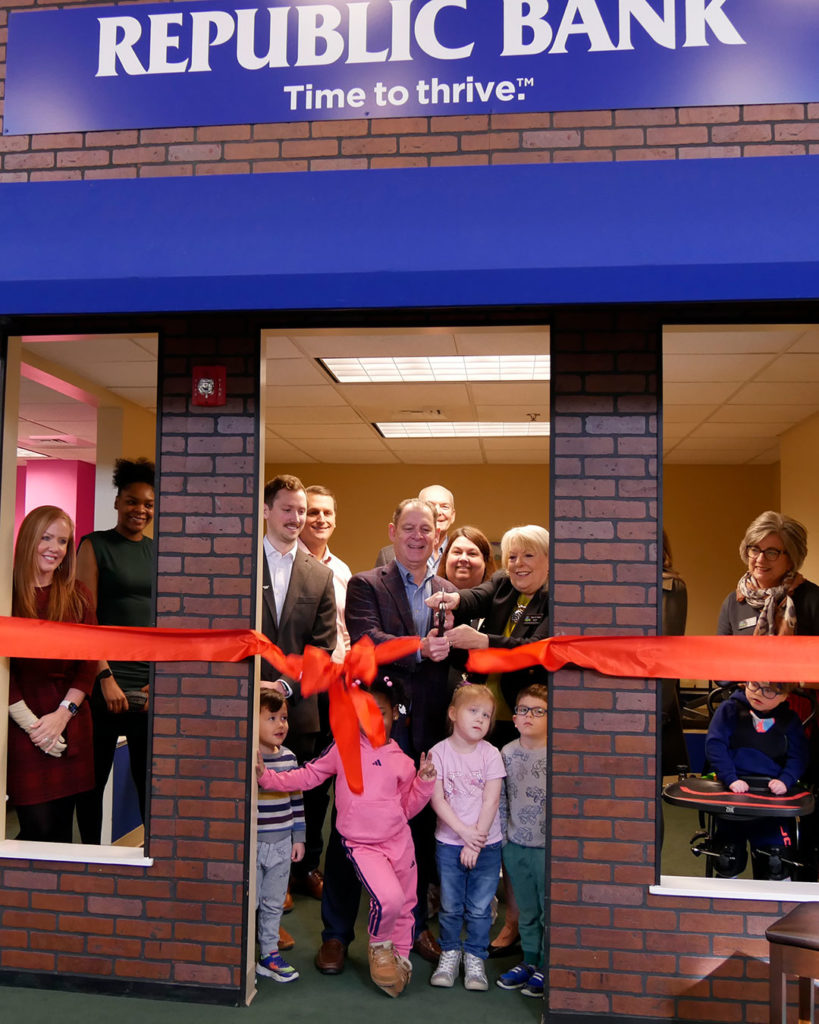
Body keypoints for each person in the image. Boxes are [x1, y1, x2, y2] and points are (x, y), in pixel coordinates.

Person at [256, 678, 437, 998]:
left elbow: (407, 807)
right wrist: (267, 778)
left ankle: (400, 959)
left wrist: (423, 783)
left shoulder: (400, 757)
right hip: (362, 845)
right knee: (389, 899)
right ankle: (379, 949)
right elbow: (308, 776)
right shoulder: (343, 748)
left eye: (379, 712)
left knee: (406, 904)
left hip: (399, 842)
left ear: (394, 714)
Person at [343, 497, 457, 968]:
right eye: (408, 527)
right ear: (392, 532)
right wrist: (420, 647)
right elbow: (367, 639)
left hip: (427, 726)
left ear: (436, 535)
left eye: (425, 529)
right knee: (354, 828)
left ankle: (413, 928)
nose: (416, 536)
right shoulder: (365, 584)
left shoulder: (448, 592)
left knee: (420, 830)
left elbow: (453, 657)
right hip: (376, 727)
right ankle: (336, 932)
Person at [260, 474, 337, 900]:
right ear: (268, 510)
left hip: (301, 706)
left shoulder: (319, 575)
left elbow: (322, 648)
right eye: (287, 509)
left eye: (300, 510)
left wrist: (284, 688)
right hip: (246, 702)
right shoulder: (243, 562)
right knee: (255, 796)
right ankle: (267, 877)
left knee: (301, 798)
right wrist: (257, 687)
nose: (296, 517)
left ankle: (299, 871)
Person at [75, 457, 155, 843]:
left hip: (148, 687)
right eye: (132, 501)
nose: (140, 509)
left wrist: (161, 683)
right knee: (92, 784)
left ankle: (151, 860)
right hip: (102, 684)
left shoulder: (160, 552)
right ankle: (89, 855)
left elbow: (166, 624)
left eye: (148, 504)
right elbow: (83, 617)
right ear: (117, 501)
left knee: (150, 785)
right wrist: (104, 676)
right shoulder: (95, 545)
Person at [8, 506, 97, 842]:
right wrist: (33, 726)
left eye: (62, 540)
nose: (55, 548)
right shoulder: (6, 595)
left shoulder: (78, 596)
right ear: (29, 539)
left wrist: (63, 714)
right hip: (23, 724)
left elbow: (88, 663)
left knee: (60, 832)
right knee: (36, 827)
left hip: (70, 723)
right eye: (46, 538)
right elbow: (3, 669)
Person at [431, 524, 551, 749]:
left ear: (548, 559)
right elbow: (476, 596)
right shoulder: (503, 583)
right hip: (483, 714)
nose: (518, 564)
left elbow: (535, 648)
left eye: (528, 555)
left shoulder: (555, 598)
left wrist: (483, 641)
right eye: (512, 557)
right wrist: (454, 600)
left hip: (524, 716)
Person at [429, 685, 505, 991]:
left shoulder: (491, 754)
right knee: (450, 904)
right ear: (452, 713)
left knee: (479, 907)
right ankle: (449, 952)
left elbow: (491, 801)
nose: (480, 719)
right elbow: (437, 800)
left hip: (487, 844)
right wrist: (463, 834)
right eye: (473, 711)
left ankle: (475, 956)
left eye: (486, 715)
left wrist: (476, 841)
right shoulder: (438, 752)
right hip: (449, 843)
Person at [704, 680, 809, 880]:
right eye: (754, 685)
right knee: (728, 855)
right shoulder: (730, 709)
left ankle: (775, 892)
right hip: (733, 787)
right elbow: (715, 745)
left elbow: (800, 755)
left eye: (769, 691)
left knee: (775, 859)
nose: (759, 693)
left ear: (785, 696)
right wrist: (730, 777)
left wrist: (786, 780)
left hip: (772, 792)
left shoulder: (789, 719)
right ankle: (727, 882)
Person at [496, 684, 548, 999]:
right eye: (523, 710)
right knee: (526, 909)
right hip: (516, 845)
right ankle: (529, 960)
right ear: (514, 718)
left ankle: (547, 962)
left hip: (546, 848)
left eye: (538, 711)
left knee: (547, 909)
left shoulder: (558, 753)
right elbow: (501, 799)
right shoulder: (506, 753)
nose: (529, 716)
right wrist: (503, 839)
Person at [255, 689, 305, 984]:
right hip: (255, 843)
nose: (280, 725)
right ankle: (244, 954)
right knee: (252, 901)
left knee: (274, 901)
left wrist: (298, 837)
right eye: (271, 718)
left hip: (282, 844)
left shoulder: (289, 758)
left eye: (284, 718)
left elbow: (296, 800)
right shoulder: (250, 757)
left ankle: (269, 954)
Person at [717, 511, 819, 638]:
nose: (760, 559)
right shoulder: (733, 603)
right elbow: (723, 655)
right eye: (754, 549)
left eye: (771, 552)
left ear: (791, 560)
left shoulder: (813, 599)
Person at [299, 485, 352, 665]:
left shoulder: (342, 570)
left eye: (327, 513)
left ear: (335, 520)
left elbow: (346, 629)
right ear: (300, 518)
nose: (321, 519)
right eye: (313, 512)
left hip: (336, 676)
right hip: (297, 677)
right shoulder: (287, 564)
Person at [375, 484, 456, 572]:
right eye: (430, 505)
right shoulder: (388, 555)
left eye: (444, 506)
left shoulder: (463, 555)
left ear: (453, 515)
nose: (438, 512)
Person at [437, 525, 496, 590]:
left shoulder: (499, 598)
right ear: (446, 558)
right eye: (457, 552)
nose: (463, 558)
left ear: (485, 561)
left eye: (472, 554)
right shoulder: (428, 594)